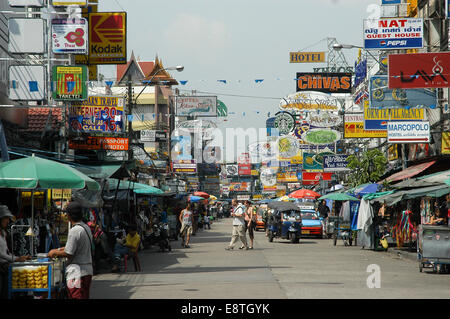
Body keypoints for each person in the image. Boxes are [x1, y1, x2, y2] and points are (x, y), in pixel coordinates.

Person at [48, 201, 93, 299]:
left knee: (75, 296)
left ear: (69, 215)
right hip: (87, 271)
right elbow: (74, 247)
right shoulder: (85, 227)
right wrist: (58, 249)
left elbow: (69, 253)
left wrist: (54, 252)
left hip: (76, 273)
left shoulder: (75, 230)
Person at [0, 205, 31, 299]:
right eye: (6, 219)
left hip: (6, 267)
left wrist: (19, 258)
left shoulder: (3, 233)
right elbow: (1, 254)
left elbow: (7, 253)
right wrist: (17, 259)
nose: (8, 221)